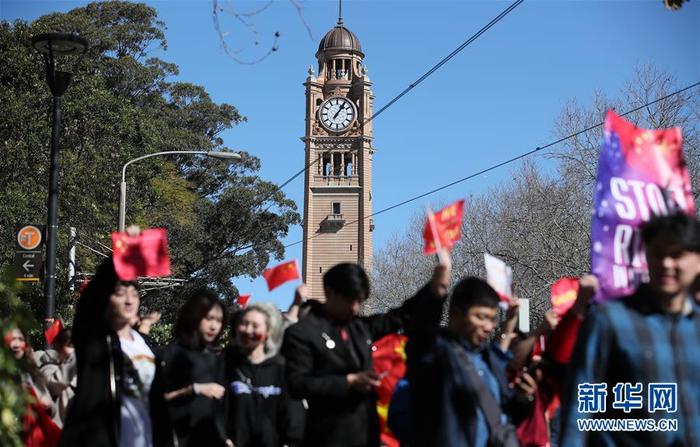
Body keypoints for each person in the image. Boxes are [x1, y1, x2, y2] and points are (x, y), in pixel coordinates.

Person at [560, 213, 700, 446]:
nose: (666, 263)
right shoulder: (609, 320)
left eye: (676, 255)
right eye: (658, 253)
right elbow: (579, 407)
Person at [281, 260, 450, 447]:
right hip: (329, 436)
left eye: (359, 301)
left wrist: (435, 287)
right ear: (329, 292)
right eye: (350, 299)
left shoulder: (359, 328)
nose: (354, 308)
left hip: (367, 434)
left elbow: (401, 315)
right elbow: (297, 383)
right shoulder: (302, 333)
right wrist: (349, 381)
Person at [405, 276, 537, 447]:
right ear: (455, 313)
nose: (488, 327)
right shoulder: (436, 354)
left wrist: (523, 397)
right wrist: (439, 288)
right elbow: (420, 335)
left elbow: (504, 414)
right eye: (481, 317)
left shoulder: (486, 361)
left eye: (492, 319)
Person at [58, 257, 172, 447]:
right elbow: (89, 304)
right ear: (106, 298)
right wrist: (123, 257)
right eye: (120, 293)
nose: (129, 300)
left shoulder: (144, 347)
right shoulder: (96, 342)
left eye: (134, 294)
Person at [225, 303, 304, 447]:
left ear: (267, 332)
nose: (248, 330)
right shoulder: (223, 367)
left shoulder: (281, 371)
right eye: (244, 324)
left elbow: (294, 419)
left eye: (255, 326)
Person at [162, 288, 229, 447]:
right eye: (209, 318)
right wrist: (194, 389)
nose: (214, 326)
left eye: (219, 320)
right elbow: (157, 399)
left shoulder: (218, 359)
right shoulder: (172, 354)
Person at [5, 326, 61, 446]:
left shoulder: (33, 373)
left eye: (20, 339)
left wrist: (48, 405)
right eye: (12, 339)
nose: (16, 344)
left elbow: (50, 408)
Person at [36, 327, 77, 427]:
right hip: (58, 435)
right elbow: (57, 383)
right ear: (58, 347)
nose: (75, 351)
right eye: (71, 346)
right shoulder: (48, 369)